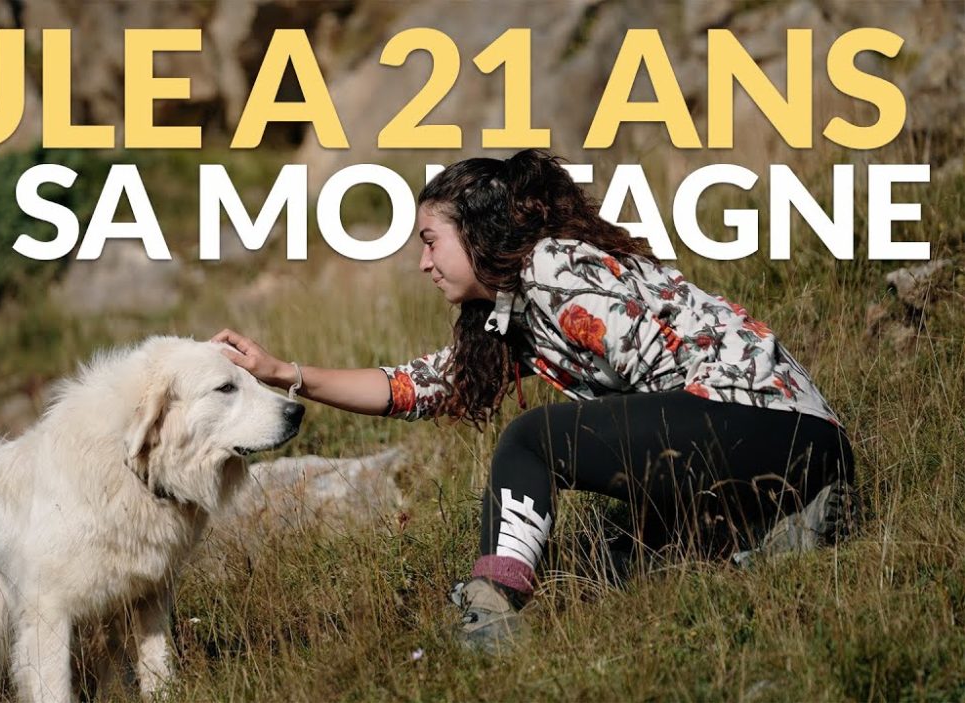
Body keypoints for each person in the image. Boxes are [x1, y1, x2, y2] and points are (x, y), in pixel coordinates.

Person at [211, 149, 858, 651]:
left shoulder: (556, 266)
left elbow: (657, 383)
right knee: (618, 558)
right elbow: (416, 387)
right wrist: (281, 371)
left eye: (430, 240)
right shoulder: (517, 310)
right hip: (774, 442)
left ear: (479, 231)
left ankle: (490, 601)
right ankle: (782, 529)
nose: (422, 263)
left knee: (535, 439)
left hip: (767, 423)